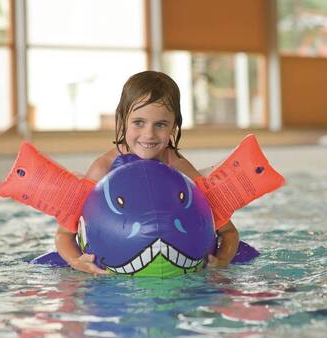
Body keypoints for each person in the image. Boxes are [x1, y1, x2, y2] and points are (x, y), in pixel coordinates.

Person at [55, 70, 240, 275]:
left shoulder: (179, 168)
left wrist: (221, 261)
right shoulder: (102, 169)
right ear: (123, 119)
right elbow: (64, 234)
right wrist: (76, 262)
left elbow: (228, 231)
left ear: (174, 126)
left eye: (160, 125)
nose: (149, 135)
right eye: (138, 123)